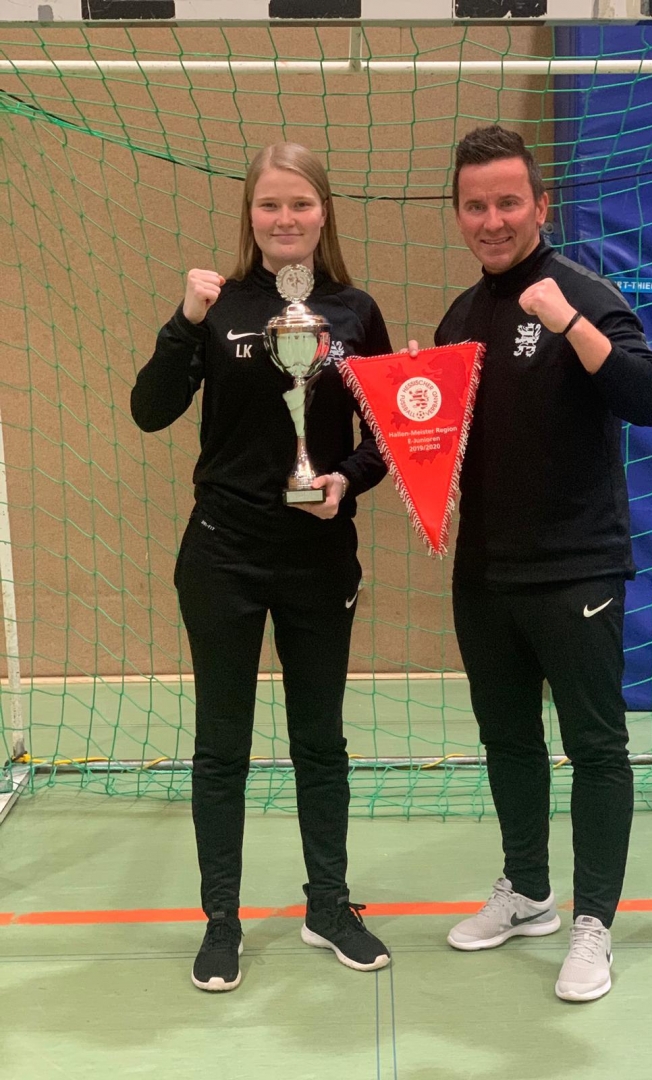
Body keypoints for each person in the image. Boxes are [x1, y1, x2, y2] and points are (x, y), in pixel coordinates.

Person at [131, 142, 393, 991]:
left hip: (319, 559)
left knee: (321, 742)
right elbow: (149, 411)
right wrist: (182, 320)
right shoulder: (218, 305)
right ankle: (221, 921)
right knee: (222, 747)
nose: (286, 218)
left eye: (300, 203)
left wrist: (343, 483)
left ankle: (328, 906)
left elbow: (385, 438)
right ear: (249, 214)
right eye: (270, 204)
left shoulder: (355, 312)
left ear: (324, 213)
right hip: (224, 554)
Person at [420, 125, 652, 1001]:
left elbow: (649, 397)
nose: (491, 220)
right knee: (508, 741)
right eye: (475, 205)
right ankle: (527, 890)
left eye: (507, 202)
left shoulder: (583, 293)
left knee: (595, 748)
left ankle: (593, 925)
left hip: (576, 572)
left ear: (540, 204)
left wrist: (569, 324)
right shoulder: (459, 316)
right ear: (459, 213)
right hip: (485, 575)